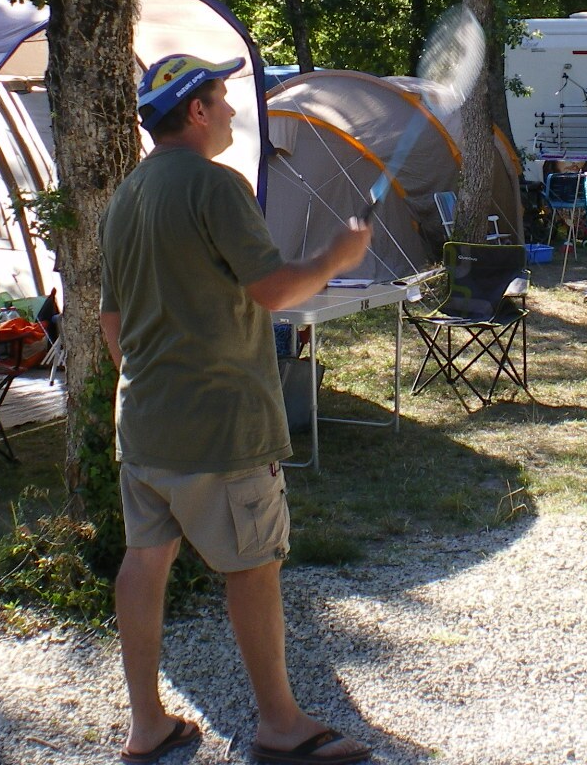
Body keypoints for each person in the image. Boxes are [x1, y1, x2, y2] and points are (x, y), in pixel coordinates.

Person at [99, 53, 374, 765]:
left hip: (144, 427)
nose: (228, 112)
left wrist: (151, 381)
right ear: (194, 111)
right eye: (221, 100)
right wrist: (337, 255)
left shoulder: (126, 197)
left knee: (143, 561)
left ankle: (145, 725)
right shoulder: (215, 187)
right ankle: (280, 724)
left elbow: (109, 320)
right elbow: (274, 290)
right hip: (220, 429)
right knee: (252, 567)